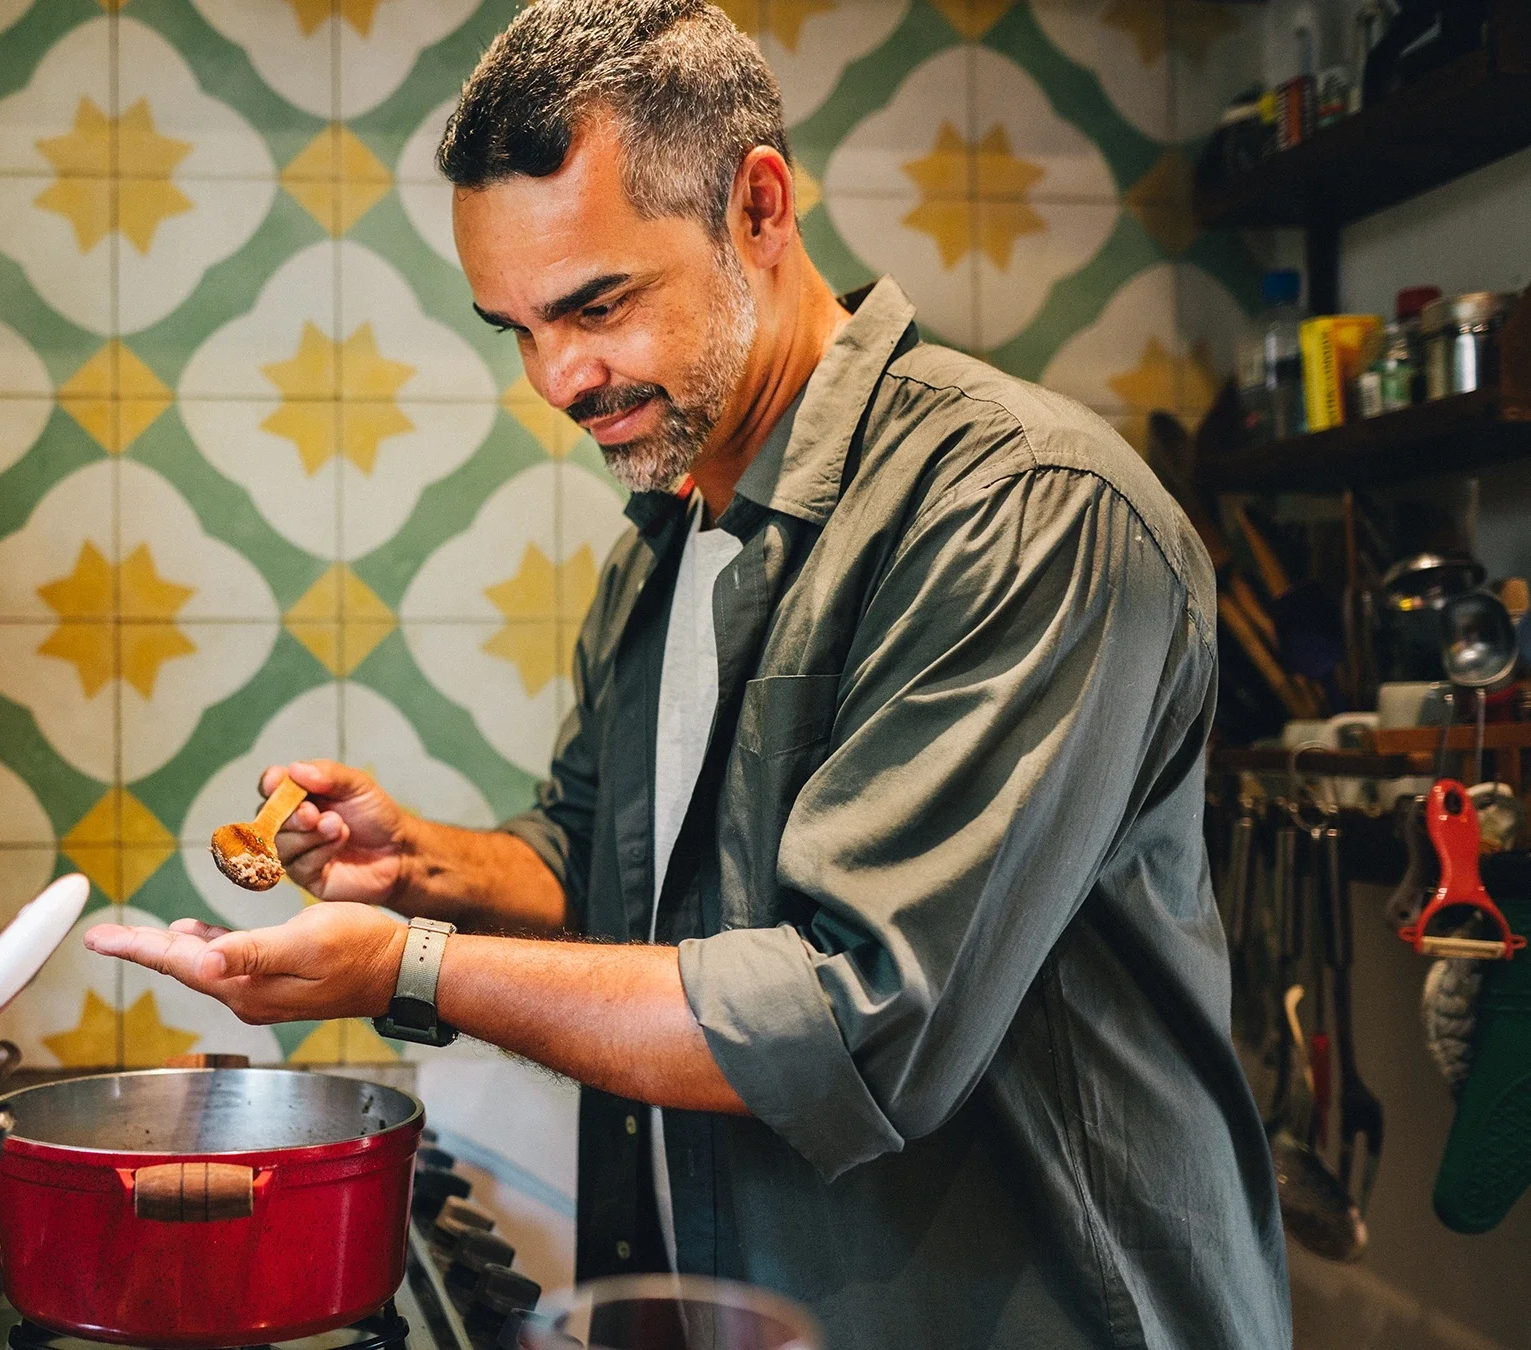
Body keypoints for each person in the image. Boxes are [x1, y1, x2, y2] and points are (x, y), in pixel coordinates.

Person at [86, 2, 1289, 1346]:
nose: (561, 378)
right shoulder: (673, 537)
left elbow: (853, 1016)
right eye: (517, 328)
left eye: (597, 304)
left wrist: (404, 965)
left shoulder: (1024, 511)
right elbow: (604, 858)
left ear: (759, 207)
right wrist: (421, 867)